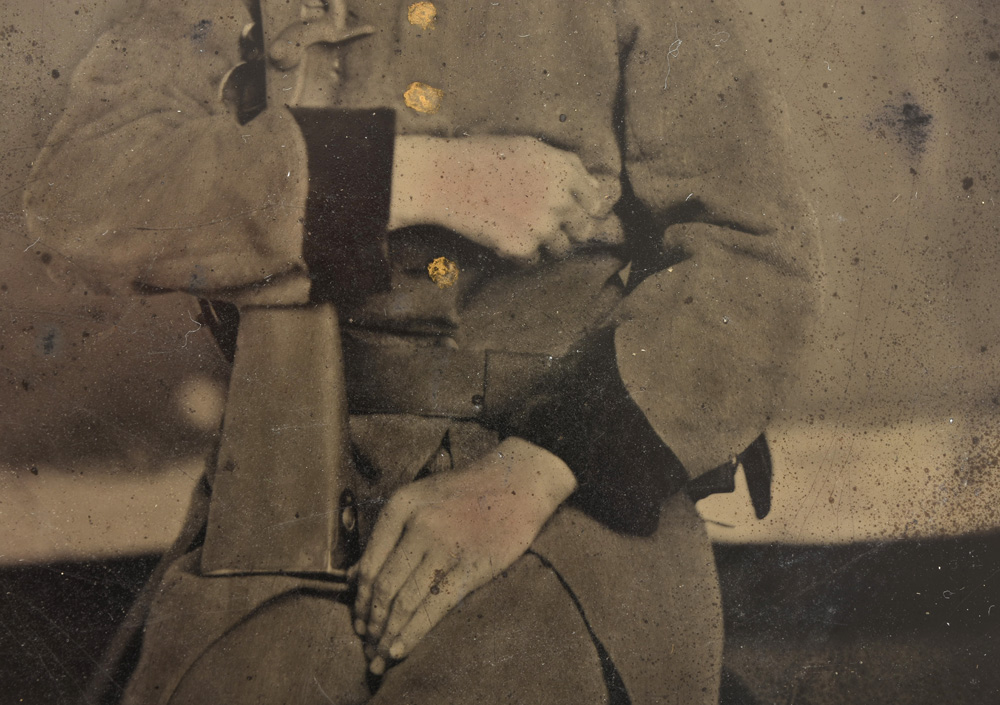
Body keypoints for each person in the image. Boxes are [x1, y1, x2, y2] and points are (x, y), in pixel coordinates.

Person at [24, 0, 818, 703]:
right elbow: (81, 194)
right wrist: (419, 176)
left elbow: (754, 266)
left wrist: (527, 476)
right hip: (291, 481)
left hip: (566, 491)